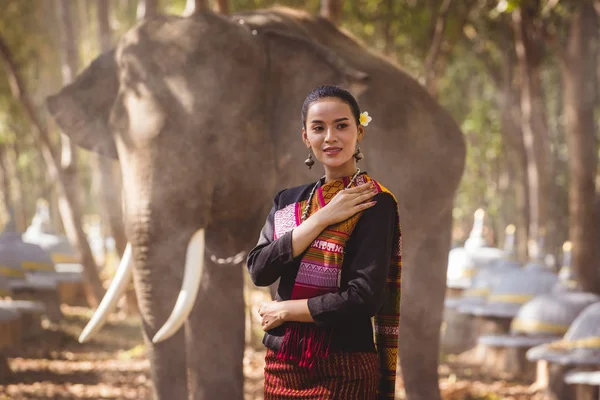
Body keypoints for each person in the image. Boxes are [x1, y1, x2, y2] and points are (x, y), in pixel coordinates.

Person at [246, 85, 402, 400]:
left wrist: (287, 310)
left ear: (359, 131)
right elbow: (259, 270)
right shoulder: (288, 201)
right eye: (319, 128)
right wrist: (321, 219)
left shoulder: (373, 202)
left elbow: (363, 298)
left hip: (344, 368)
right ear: (306, 137)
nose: (330, 137)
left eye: (341, 125)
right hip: (282, 364)